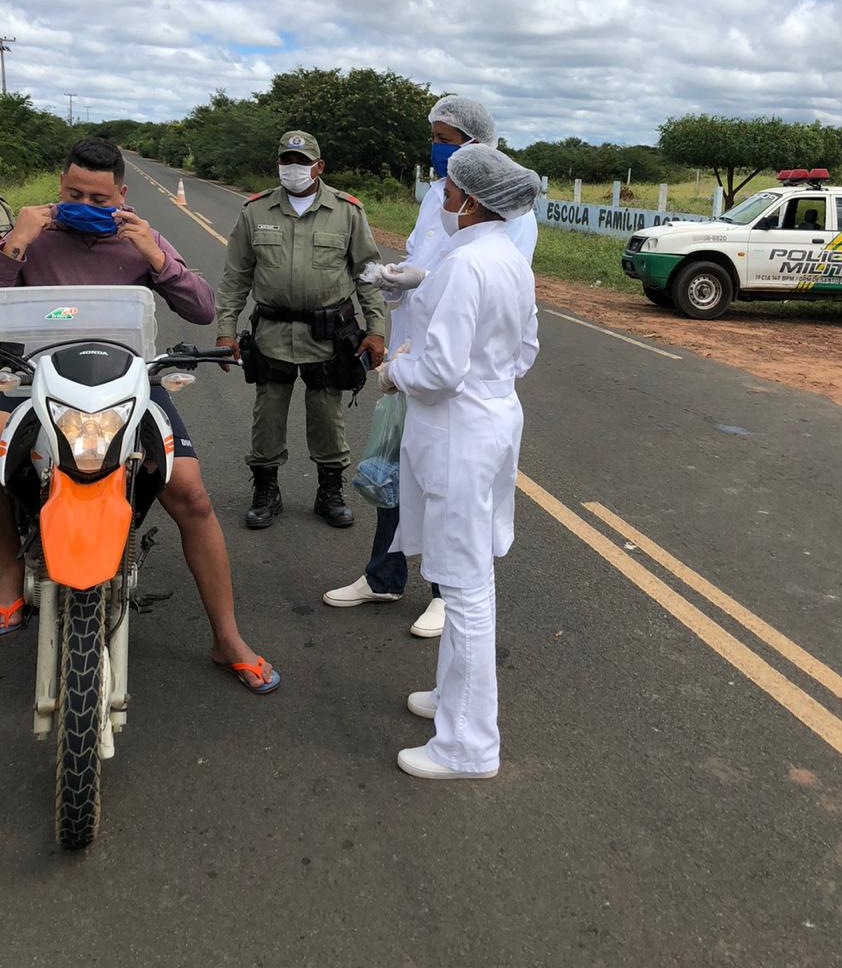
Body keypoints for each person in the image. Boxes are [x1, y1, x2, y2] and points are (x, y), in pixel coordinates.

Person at [0, 137, 278, 693]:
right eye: (73, 192)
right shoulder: (29, 237)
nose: (84, 204)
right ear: (59, 186)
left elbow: (200, 307)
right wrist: (14, 245)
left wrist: (156, 257)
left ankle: (226, 637)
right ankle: (9, 579)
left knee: (192, 494)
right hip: (33, 379)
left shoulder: (139, 238)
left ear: (121, 194)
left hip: (129, 382)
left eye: (98, 198)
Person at [323, 97, 538, 638]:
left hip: (449, 379)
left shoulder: (505, 213)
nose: (437, 149)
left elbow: (484, 287)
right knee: (394, 470)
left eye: (446, 136)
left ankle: (449, 592)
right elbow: (430, 256)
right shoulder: (440, 196)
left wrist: (427, 286)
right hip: (415, 357)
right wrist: (400, 281)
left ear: (474, 141)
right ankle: (384, 574)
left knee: (450, 497)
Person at [375, 143, 541, 779]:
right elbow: (524, 350)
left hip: (458, 431)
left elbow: (440, 369)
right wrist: (483, 375)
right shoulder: (510, 261)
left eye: (447, 191)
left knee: (466, 587)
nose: (441, 200)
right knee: (472, 576)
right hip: (494, 419)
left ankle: (468, 745)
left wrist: (397, 370)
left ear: (471, 201)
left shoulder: (462, 265)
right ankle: (452, 700)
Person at [215, 131, 386, 530]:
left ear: (318, 166)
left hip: (329, 335)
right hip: (271, 332)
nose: (293, 168)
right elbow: (236, 277)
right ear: (278, 164)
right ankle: (265, 490)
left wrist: (375, 329)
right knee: (267, 414)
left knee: (327, 416)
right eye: (286, 160)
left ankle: (330, 491)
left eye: (301, 161)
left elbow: (368, 275)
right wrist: (226, 330)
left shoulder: (347, 212)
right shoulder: (254, 211)